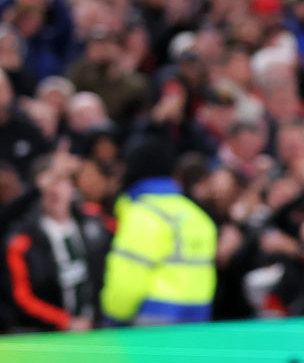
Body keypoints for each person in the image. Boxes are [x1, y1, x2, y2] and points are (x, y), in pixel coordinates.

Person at [100, 137, 218, 325]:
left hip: (150, 326)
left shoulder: (142, 215)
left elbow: (128, 281)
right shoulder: (197, 215)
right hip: (196, 322)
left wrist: (112, 318)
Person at [2, 153, 111, 333]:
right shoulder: (23, 239)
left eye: (61, 181)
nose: (55, 190)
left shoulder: (94, 222)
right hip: (47, 335)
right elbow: (21, 297)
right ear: (38, 189)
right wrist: (65, 322)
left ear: (72, 188)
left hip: (96, 330)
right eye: (50, 182)